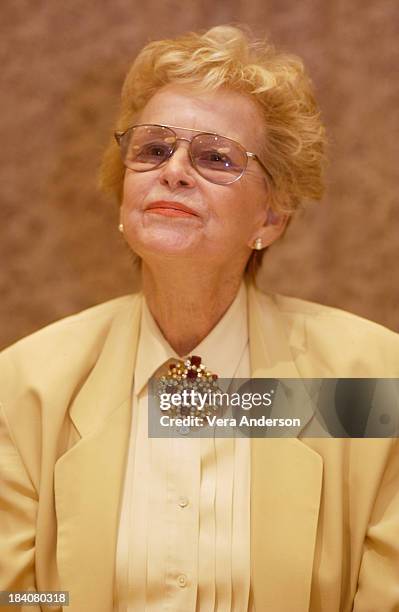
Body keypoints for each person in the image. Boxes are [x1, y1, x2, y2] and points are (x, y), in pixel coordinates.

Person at [0, 25, 398, 612]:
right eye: (154, 149)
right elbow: (27, 598)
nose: (174, 170)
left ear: (270, 216)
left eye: (216, 156)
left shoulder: (370, 379)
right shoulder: (25, 385)